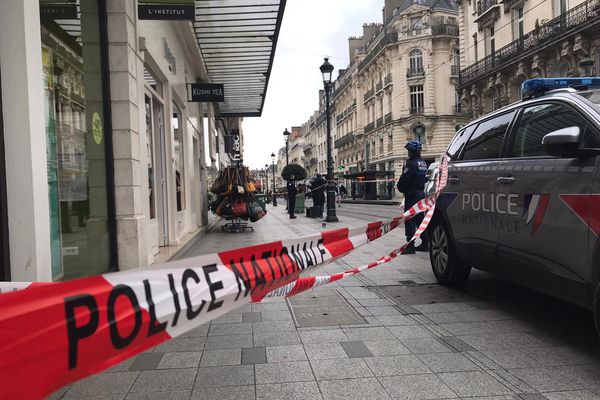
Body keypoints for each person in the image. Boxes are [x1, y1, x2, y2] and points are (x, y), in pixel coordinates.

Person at [397, 140, 428, 254]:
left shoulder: (411, 164)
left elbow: (405, 179)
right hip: (421, 194)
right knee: (420, 219)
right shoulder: (423, 163)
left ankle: (410, 245)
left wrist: (401, 188)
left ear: (413, 151)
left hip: (412, 194)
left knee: (409, 219)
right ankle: (425, 242)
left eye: (409, 151)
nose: (408, 153)